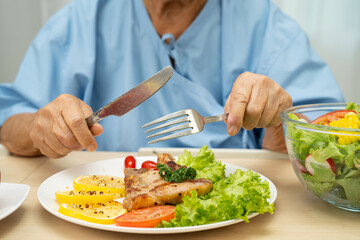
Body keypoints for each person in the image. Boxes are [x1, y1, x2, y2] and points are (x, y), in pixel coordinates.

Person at [0, 0, 344, 158]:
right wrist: (38, 128)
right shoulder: (80, 22)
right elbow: (9, 124)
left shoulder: (267, 26)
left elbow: (333, 145)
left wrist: (278, 125)